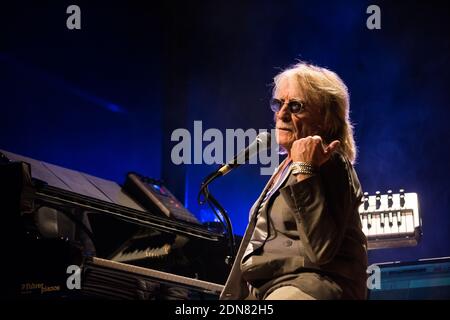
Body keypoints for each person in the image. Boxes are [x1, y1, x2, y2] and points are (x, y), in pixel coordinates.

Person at [220, 62, 368, 300]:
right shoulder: (286, 167)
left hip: (309, 287)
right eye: (278, 104)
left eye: (296, 106)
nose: (282, 114)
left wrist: (305, 168)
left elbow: (321, 250)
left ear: (326, 120)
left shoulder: (330, 162)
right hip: (269, 289)